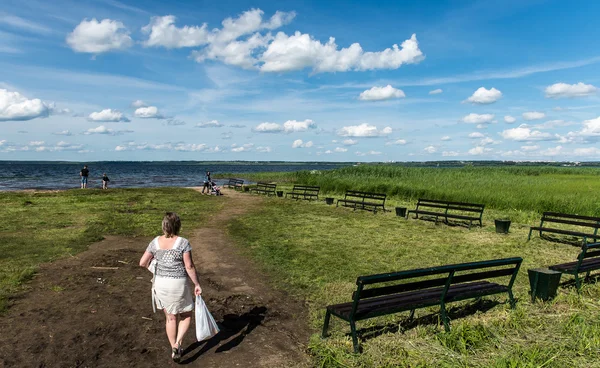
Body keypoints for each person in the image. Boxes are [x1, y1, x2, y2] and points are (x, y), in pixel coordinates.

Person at [139, 212, 202, 363]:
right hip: (177, 283)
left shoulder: (155, 242)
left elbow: (142, 262)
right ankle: (178, 344)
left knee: (170, 317)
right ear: (178, 226)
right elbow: (189, 266)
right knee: (186, 314)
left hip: (160, 283)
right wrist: (197, 284)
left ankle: (174, 348)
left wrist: (155, 266)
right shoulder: (183, 242)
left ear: (164, 226)